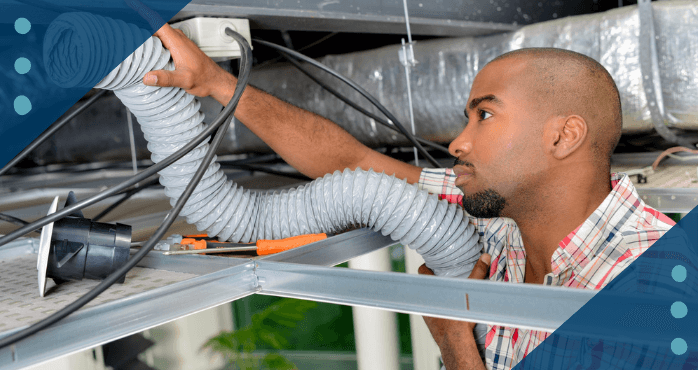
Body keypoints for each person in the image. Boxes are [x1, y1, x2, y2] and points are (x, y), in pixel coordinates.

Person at [142, 24, 675, 370]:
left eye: (484, 115)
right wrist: (215, 82)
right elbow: (356, 169)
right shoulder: (501, 217)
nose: (458, 142)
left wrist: (454, 342)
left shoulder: (655, 288)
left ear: (563, 136)